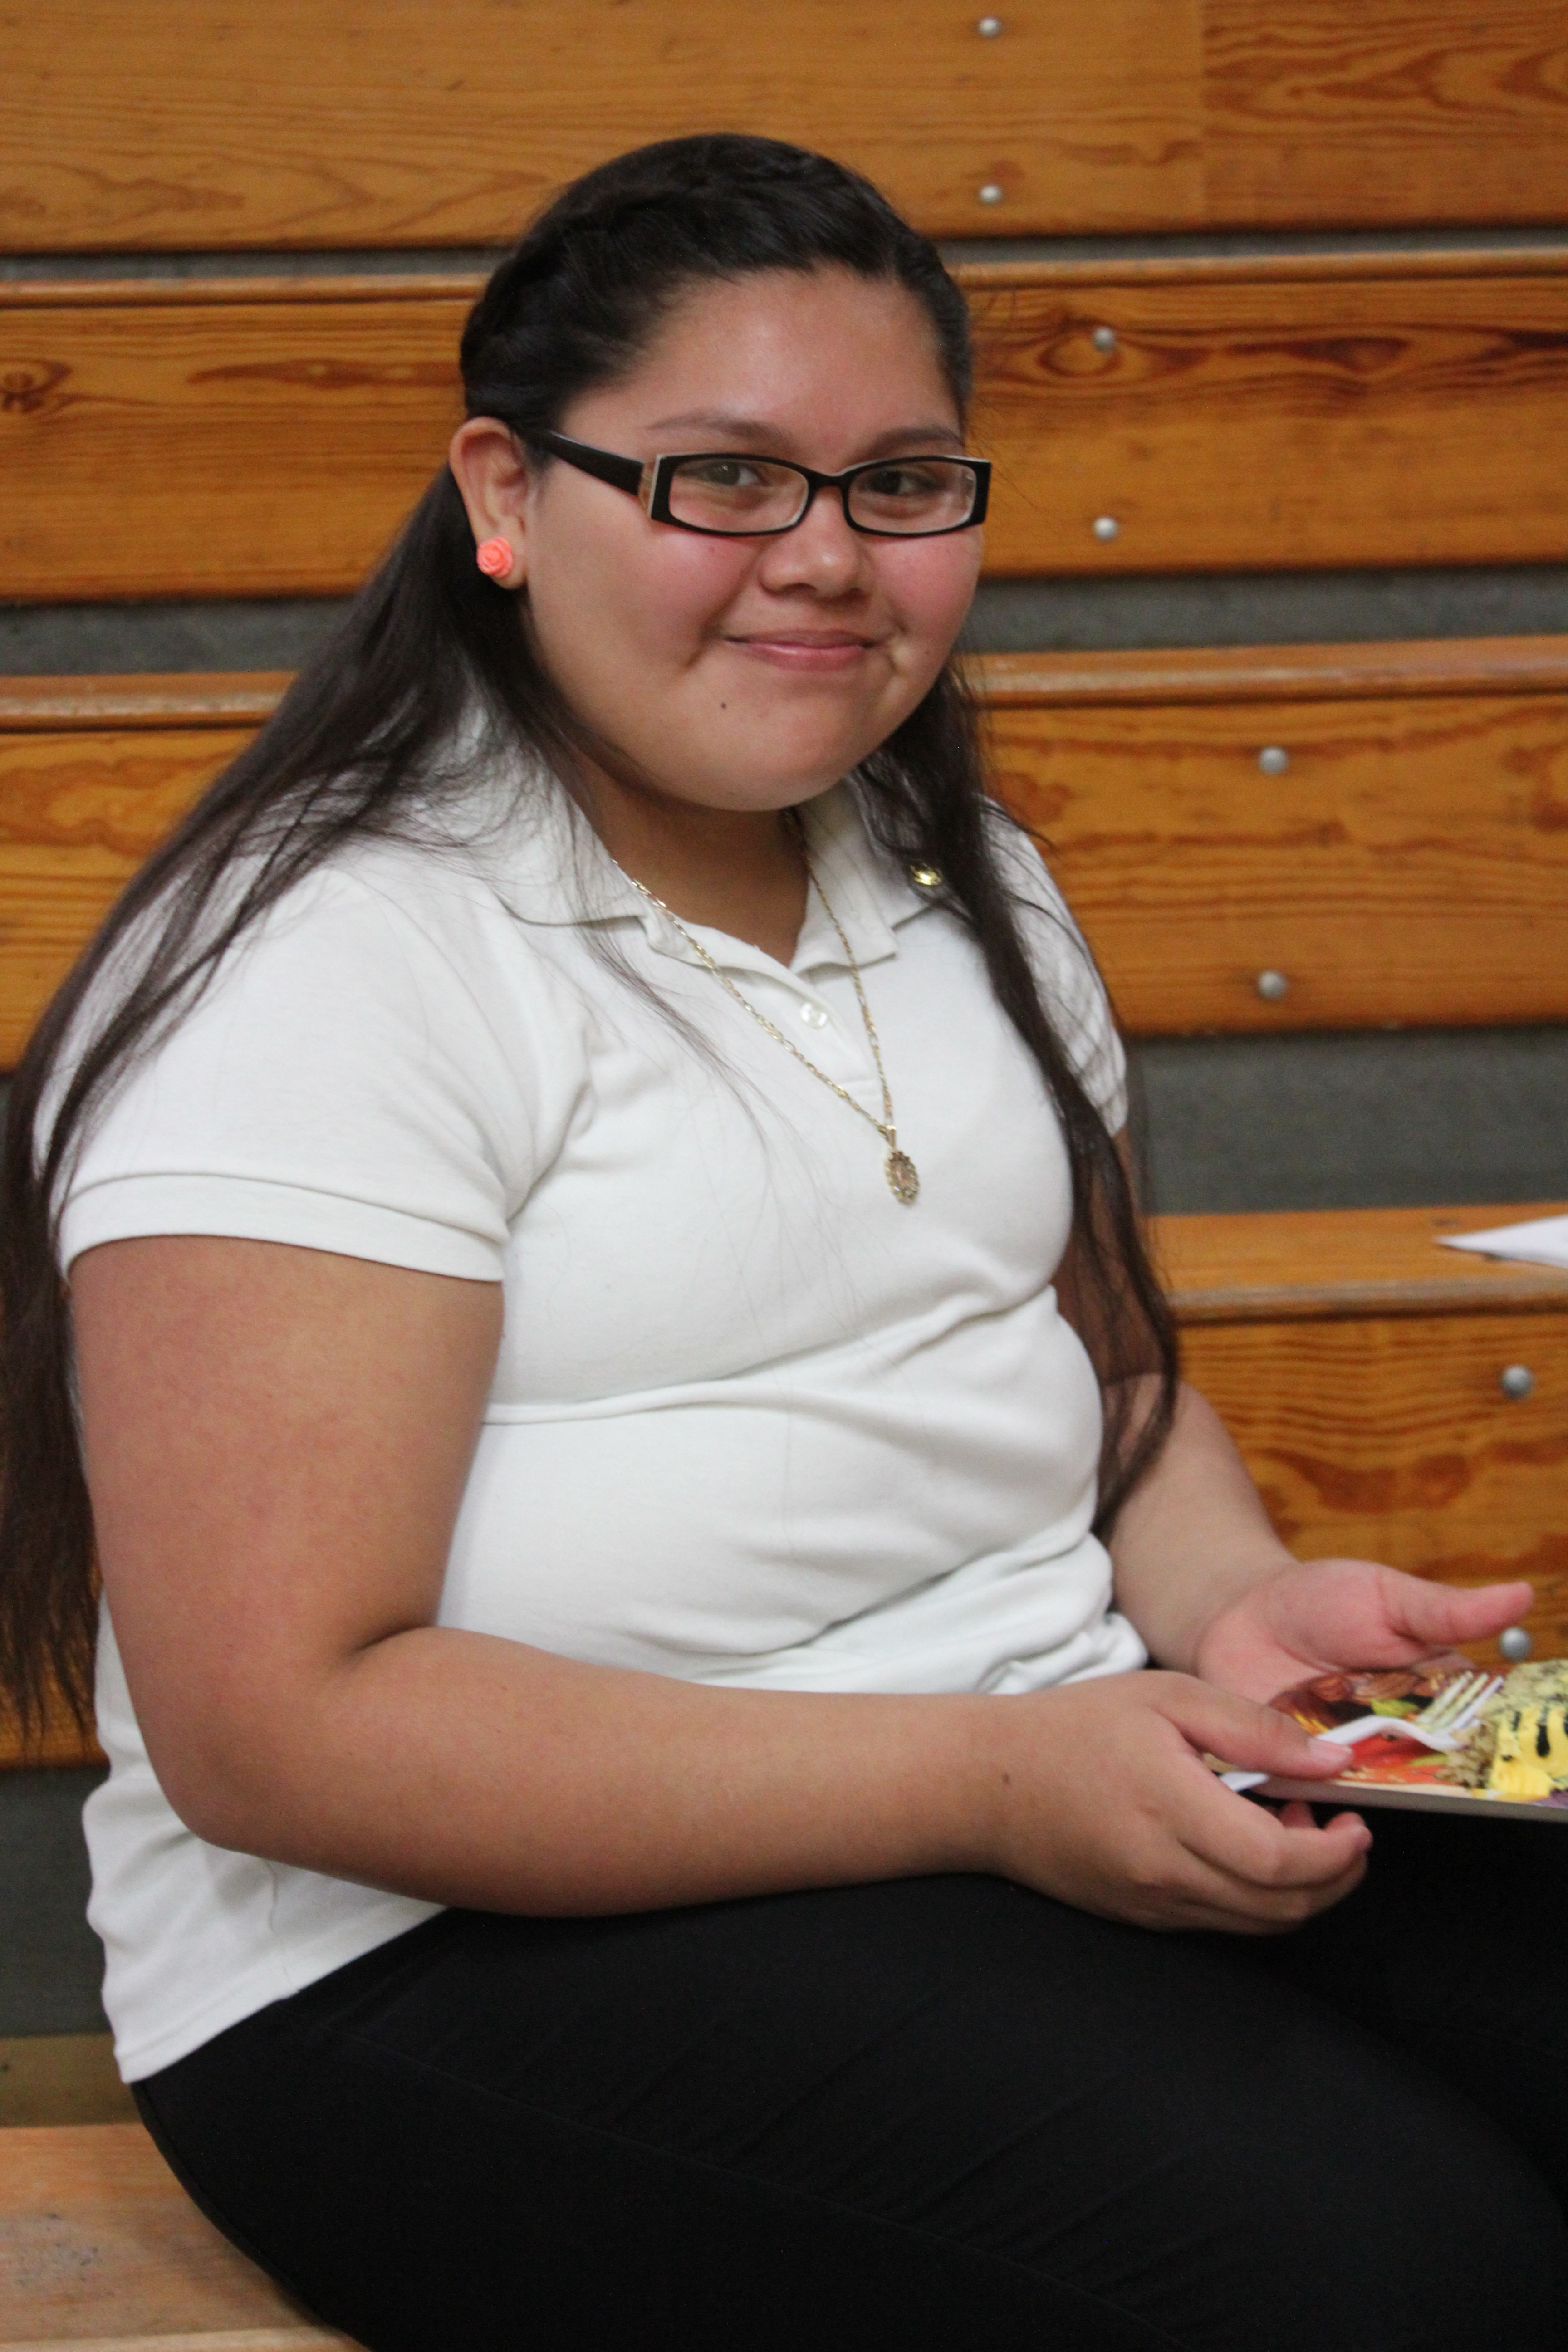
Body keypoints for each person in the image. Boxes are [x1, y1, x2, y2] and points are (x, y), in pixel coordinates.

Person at [1, 135, 1563, 2352]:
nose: (827, 562)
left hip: (1034, 1756)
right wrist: (990, 1783)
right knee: (1401, 2284)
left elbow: (1105, 1369)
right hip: (415, 1954)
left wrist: (1240, 1611)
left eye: (904, 483)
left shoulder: (974, 881)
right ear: (508, 496)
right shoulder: (332, 959)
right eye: (724, 478)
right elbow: (284, 1735)